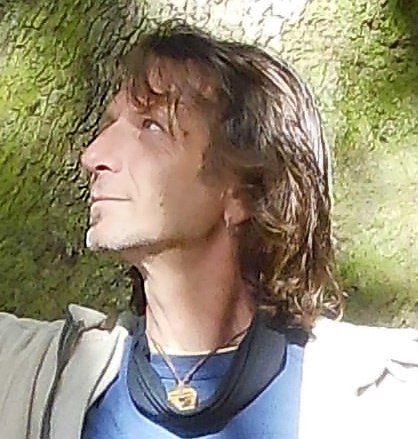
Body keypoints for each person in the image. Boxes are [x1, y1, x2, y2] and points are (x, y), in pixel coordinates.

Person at [0, 20, 417, 439]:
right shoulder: (29, 374)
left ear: (245, 193)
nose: (93, 155)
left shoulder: (387, 398)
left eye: (151, 126)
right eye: (109, 127)